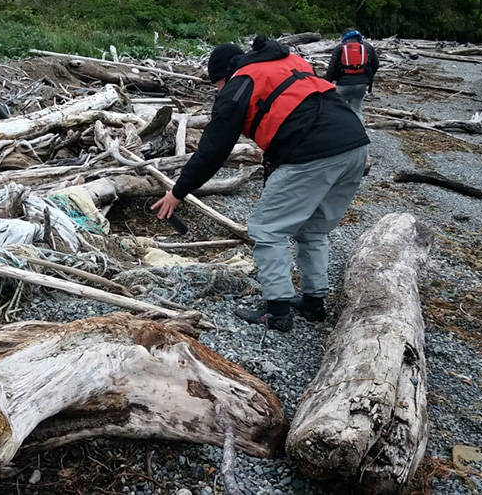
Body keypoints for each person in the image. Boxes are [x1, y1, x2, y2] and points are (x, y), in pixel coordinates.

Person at [151, 36, 369, 331]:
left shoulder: (238, 84)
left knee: (267, 229)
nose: (218, 89)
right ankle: (313, 303)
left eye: (216, 82)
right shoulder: (286, 63)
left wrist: (178, 192)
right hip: (355, 144)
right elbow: (298, 113)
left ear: (224, 75)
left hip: (315, 152)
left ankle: (278, 310)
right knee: (313, 229)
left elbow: (213, 149)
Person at [324, 29, 379, 122]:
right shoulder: (368, 46)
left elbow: (332, 68)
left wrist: (327, 82)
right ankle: (360, 133)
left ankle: (339, 132)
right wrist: (367, 79)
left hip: (343, 84)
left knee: (338, 110)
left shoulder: (340, 47)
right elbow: (376, 64)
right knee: (356, 110)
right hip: (361, 85)